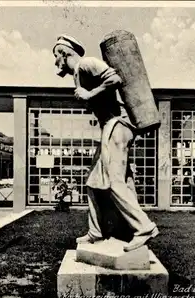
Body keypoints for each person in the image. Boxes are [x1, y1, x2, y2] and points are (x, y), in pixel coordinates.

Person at [52, 34, 159, 252]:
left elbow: (115, 79)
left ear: (65, 53)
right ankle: (96, 232)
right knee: (94, 183)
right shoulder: (78, 73)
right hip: (110, 128)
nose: (55, 62)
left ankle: (144, 228)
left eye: (56, 56)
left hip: (117, 126)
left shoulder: (86, 64)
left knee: (114, 181)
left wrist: (89, 94)